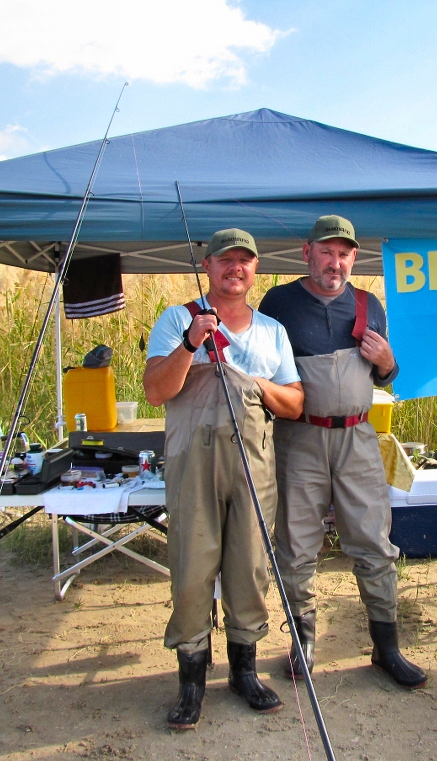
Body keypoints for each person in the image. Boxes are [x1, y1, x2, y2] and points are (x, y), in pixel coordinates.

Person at [143, 228, 304, 729]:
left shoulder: (273, 331)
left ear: (256, 270)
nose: (236, 269)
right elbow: (154, 390)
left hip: (254, 465)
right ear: (207, 265)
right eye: (225, 261)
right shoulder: (177, 319)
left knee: (250, 567)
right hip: (194, 461)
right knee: (192, 568)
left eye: (245, 261)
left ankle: (244, 672)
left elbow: (296, 404)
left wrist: (252, 382)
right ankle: (190, 682)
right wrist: (192, 343)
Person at [259, 215, 427, 689]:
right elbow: (264, 370)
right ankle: (303, 640)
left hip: (358, 438)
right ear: (307, 253)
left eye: (345, 253)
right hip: (299, 440)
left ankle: (387, 648)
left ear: (354, 258)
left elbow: (386, 377)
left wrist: (389, 362)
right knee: (296, 546)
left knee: (374, 542)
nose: (336, 262)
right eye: (327, 252)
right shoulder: (278, 303)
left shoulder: (369, 304)